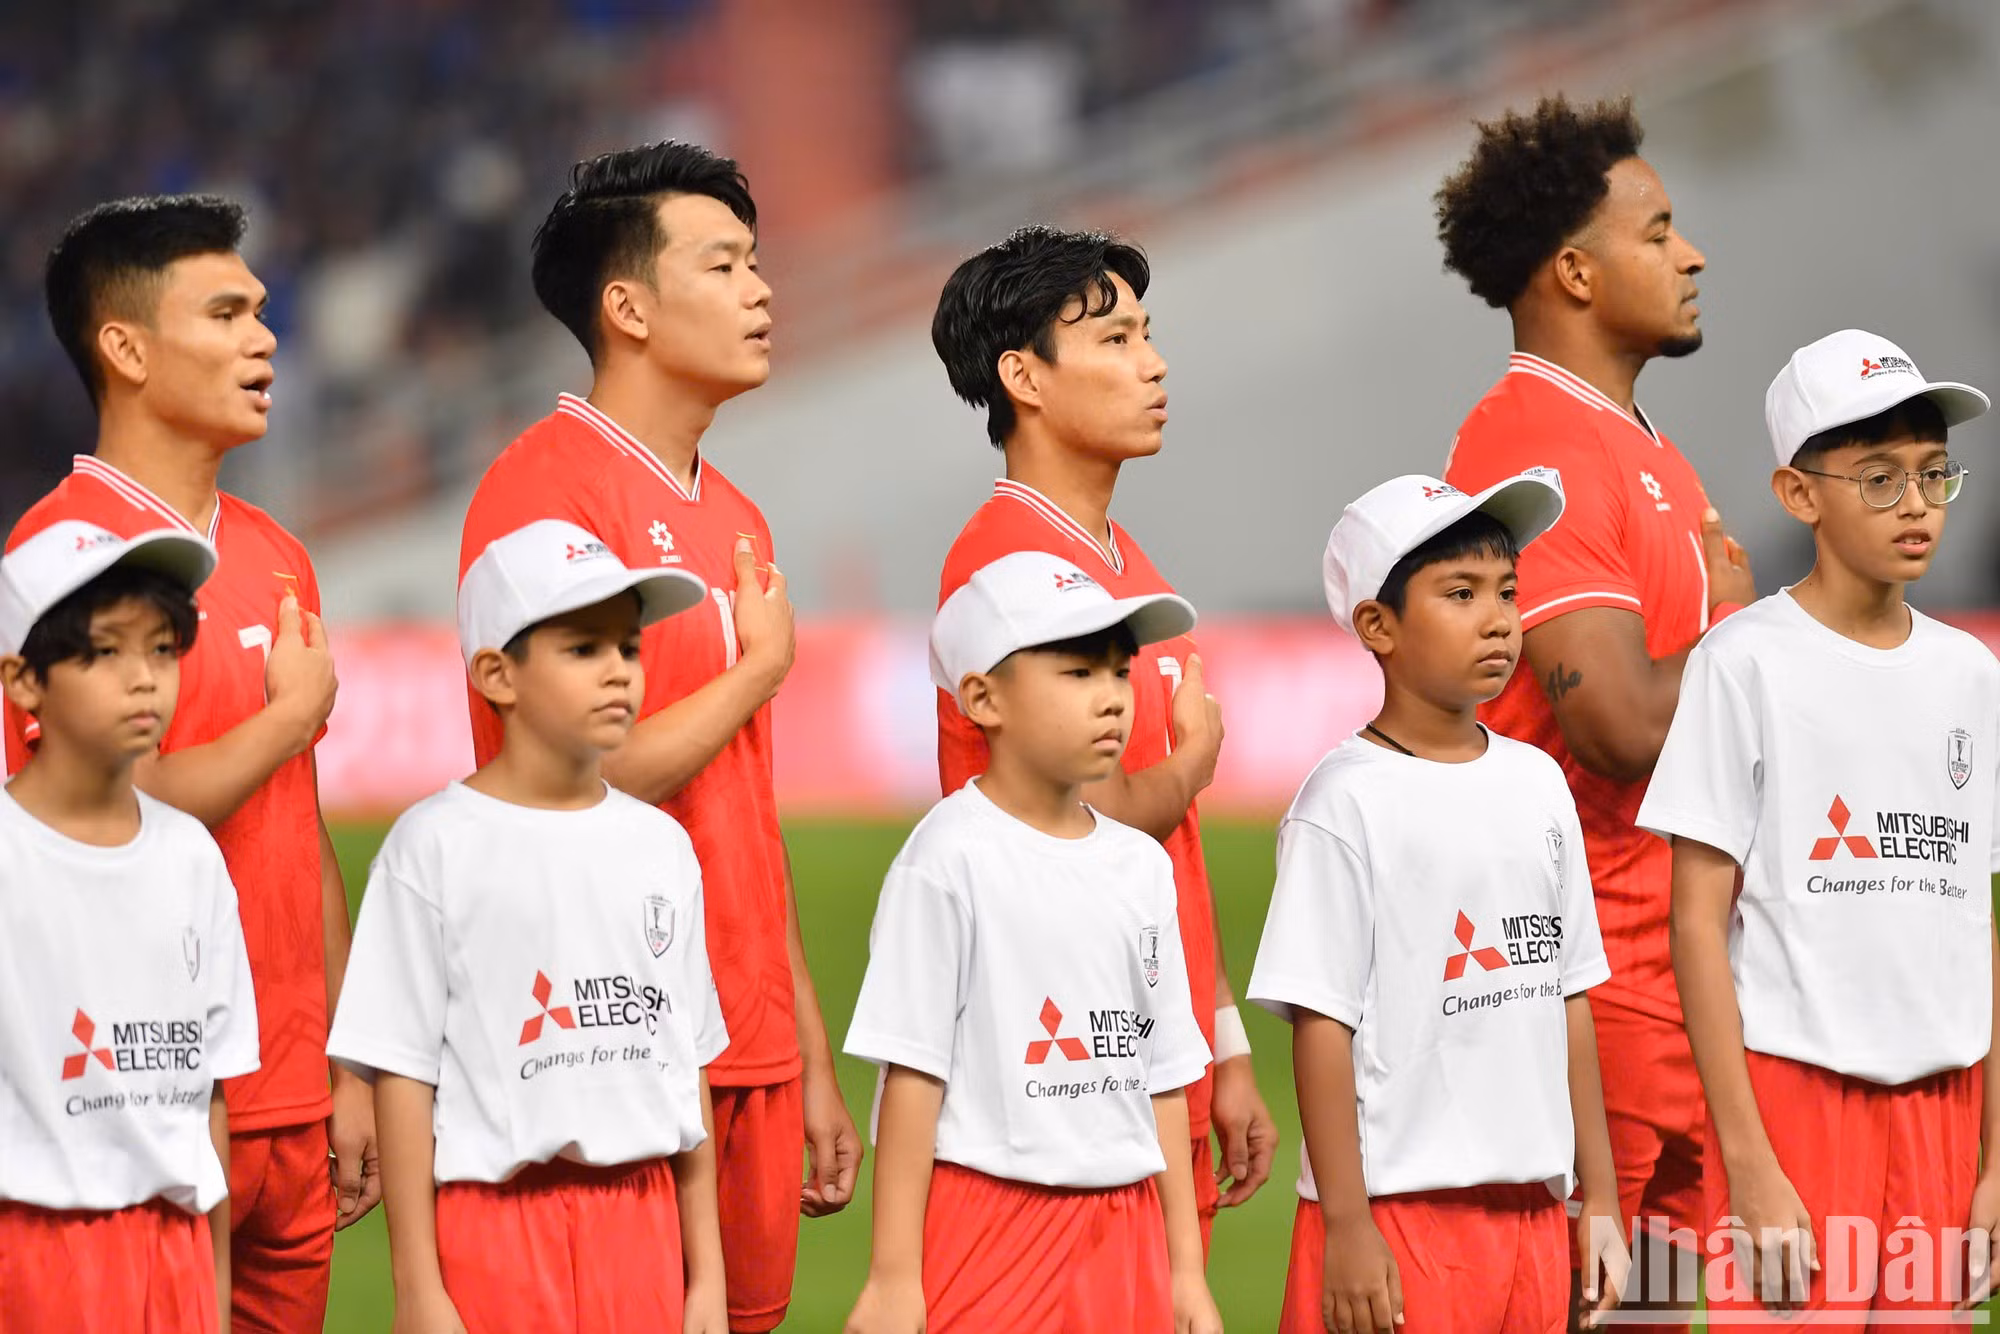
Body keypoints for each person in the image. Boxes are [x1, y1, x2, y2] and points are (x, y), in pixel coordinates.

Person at [458, 140, 860, 1332]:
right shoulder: (542, 496)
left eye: (756, 262)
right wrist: (759, 671)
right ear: (626, 305)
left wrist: (807, 1053)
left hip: (749, 1043)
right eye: (724, 263)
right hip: (602, 1035)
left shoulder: (734, 512)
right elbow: (582, 775)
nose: (761, 289)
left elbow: (746, 800)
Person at [6, 194, 372, 1331]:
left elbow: (297, 818)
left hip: (292, 1101)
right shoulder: (50, 555)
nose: (266, 339)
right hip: (133, 1111)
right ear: (125, 346)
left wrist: (346, 1060)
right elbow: (77, 816)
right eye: (225, 313)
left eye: (261, 312)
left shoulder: (280, 557)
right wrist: (280, 721)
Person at [1435, 95, 1754, 1317]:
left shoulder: (1639, 447)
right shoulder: (1534, 447)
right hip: (1588, 991)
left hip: (1675, 980)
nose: (1692, 254)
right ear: (1573, 268)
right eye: (1659, 229)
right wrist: (1738, 631)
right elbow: (1615, 722)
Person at [930, 225, 1275, 1250]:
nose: (1154, 363)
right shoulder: (1004, 568)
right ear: (1022, 375)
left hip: (1147, 1050)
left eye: (1148, 334)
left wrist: (1222, 1041)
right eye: (1117, 339)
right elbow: (1078, 821)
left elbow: (1166, 856)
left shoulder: (1123, 557)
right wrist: (1192, 762)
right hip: (1062, 1072)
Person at [1640, 329, 1998, 1318]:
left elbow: (1976, 923)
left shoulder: (1969, 675)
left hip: (1941, 1107)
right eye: (1877, 478)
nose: (1914, 503)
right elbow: (1694, 923)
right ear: (1798, 494)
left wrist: (1991, 1161)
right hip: (1793, 1102)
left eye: (1931, 474)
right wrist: (1745, 1161)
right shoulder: (1744, 660)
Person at [1250, 471, 1629, 1334]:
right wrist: (1346, 1226)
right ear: (1377, 627)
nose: (1498, 618)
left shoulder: (1538, 783)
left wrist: (1596, 1195)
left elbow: (1568, 998)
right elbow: (1321, 1026)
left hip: (1532, 1217)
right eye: (1460, 594)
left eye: (1507, 592)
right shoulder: (1343, 803)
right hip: (1399, 1218)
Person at [330, 519, 730, 1331]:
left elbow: (686, 1069)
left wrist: (706, 1279)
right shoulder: (432, 847)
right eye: (584, 649)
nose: (619, 671)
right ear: (497, 675)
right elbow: (404, 1077)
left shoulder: (661, 846)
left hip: (642, 1226)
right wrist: (419, 1287)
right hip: (495, 1232)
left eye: (629, 647)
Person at [843, 550, 1222, 1333]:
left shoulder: (1142, 866)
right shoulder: (947, 859)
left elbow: (1165, 1079)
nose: (1114, 699)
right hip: (988, 1224)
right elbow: (911, 1078)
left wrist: (1185, 1272)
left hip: (1126, 1229)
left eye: (1119, 672)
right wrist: (892, 1277)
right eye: (1078, 674)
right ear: (983, 698)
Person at [0, 521, 256, 1332]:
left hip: (171, 1259)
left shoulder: (190, 857)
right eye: (105, 652)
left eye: (162, 650)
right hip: (33, 1254)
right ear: (23, 681)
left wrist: (210, 1300)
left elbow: (208, 1103)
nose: (144, 680)